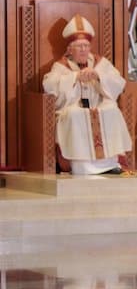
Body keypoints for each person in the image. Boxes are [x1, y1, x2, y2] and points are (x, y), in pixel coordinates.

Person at [42, 14, 132, 175]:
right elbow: (49, 85)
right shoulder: (60, 66)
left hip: (97, 106)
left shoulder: (100, 63)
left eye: (86, 45)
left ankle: (110, 163)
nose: (84, 49)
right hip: (73, 109)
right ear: (69, 49)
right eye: (79, 46)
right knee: (74, 114)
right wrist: (75, 77)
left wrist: (98, 76)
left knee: (111, 108)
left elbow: (119, 82)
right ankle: (81, 165)